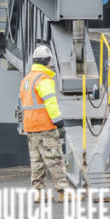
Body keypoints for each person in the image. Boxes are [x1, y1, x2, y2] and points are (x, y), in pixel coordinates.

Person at [19, 45, 75, 201]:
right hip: (45, 126)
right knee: (55, 159)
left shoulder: (26, 80)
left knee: (37, 161)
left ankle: (39, 193)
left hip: (30, 127)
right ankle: (64, 193)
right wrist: (59, 124)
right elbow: (51, 103)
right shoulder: (44, 80)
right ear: (47, 61)